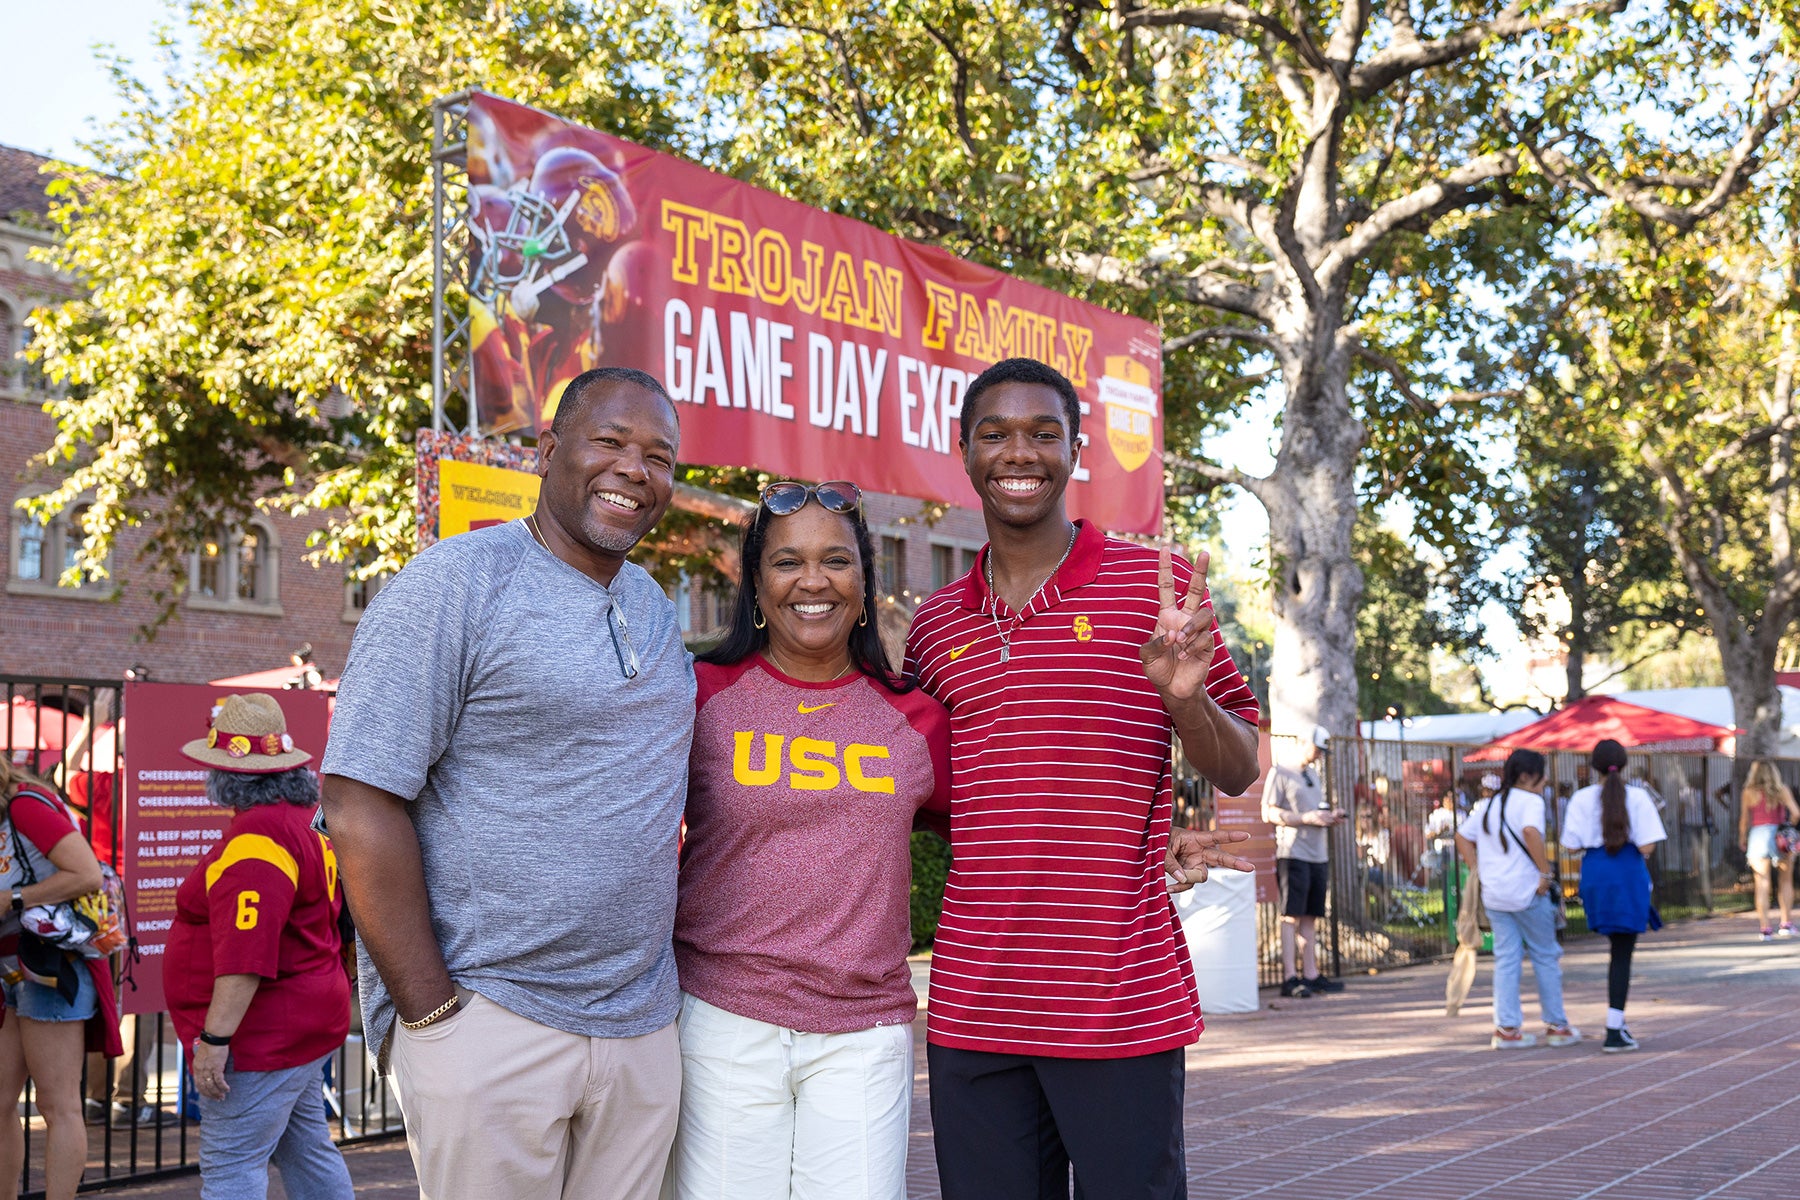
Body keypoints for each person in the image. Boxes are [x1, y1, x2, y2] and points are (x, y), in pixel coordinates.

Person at [320, 367, 692, 1200]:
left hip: (640, 1028)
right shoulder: (454, 584)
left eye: (659, 455)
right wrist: (431, 1016)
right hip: (492, 1017)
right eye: (610, 442)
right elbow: (356, 799)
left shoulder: (653, 605)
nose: (636, 468)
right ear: (549, 451)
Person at [905, 356, 1261, 1200]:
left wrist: (1186, 703)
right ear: (964, 453)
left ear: (1076, 449)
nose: (1017, 452)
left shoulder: (1159, 588)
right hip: (974, 1001)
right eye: (994, 434)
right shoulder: (931, 626)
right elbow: (923, 795)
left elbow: (1240, 763)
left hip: (1117, 997)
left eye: (1041, 433)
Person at [667, 479, 950, 1200]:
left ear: (863, 582)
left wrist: (1147, 836)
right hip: (722, 1021)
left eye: (836, 561)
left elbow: (1001, 828)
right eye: (788, 562)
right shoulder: (701, 692)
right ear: (756, 586)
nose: (813, 581)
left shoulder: (915, 717)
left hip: (863, 1033)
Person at [165, 694, 354, 1200]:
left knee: (231, 1168)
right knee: (308, 1150)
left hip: (265, 1034)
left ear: (227, 776)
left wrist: (214, 1042)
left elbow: (245, 959)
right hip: (305, 1019)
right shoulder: (305, 822)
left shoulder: (257, 840)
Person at [0, 757, 122, 1200]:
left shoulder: (24, 806)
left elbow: (86, 872)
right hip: (11, 969)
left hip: (52, 967)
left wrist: (12, 898)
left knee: (57, 1105)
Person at [1454, 749, 1578, 1050]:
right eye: (1541, 773)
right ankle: (1556, 1024)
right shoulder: (1531, 802)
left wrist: (1478, 870)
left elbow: (1461, 836)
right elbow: (1531, 832)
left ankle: (1507, 1028)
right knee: (1545, 956)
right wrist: (1544, 872)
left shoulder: (1488, 804)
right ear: (1526, 775)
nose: (1546, 779)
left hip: (1495, 893)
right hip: (1528, 891)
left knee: (1506, 959)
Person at [1560, 739, 1667, 1053]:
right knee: (1622, 954)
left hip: (1595, 872)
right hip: (1627, 873)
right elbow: (1647, 846)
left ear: (1594, 766)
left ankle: (1616, 1024)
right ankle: (1613, 1026)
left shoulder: (1580, 798)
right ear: (1624, 764)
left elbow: (1570, 845)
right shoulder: (1638, 797)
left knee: (1614, 949)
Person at [1264, 727, 1345, 998]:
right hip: (1293, 852)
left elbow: (1314, 811)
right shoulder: (1281, 771)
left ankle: (1310, 974)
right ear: (1303, 742)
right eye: (1317, 748)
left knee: (1311, 915)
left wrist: (1330, 816)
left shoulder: (1312, 773)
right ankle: (1290, 977)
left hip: (1317, 853)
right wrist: (1305, 819)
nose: (1320, 754)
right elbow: (1269, 812)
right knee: (1291, 915)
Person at [1737, 760, 1799, 940]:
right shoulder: (1782, 790)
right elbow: (1796, 813)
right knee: (1785, 881)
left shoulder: (1748, 792)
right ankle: (1786, 923)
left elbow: (1744, 819)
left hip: (1757, 836)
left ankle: (1765, 929)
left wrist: (1742, 838)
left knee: (1762, 883)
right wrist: (1787, 827)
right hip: (1779, 837)